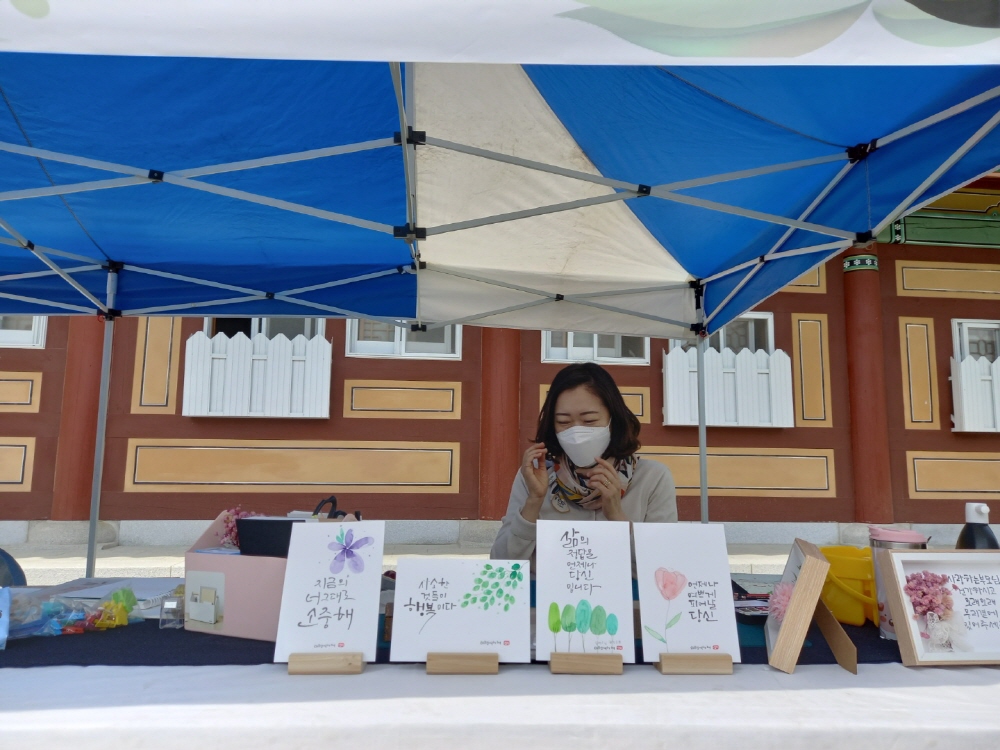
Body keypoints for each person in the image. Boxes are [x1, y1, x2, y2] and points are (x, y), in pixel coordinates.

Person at [491, 362, 677, 562]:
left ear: (613, 420)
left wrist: (616, 516)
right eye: (563, 422)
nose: (576, 433)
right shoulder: (535, 477)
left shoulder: (653, 478)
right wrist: (534, 501)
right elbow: (502, 562)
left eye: (589, 421)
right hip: (548, 584)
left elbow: (663, 565)